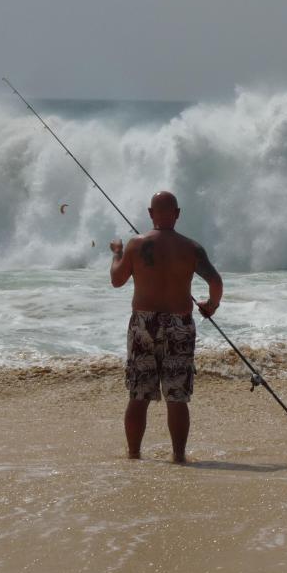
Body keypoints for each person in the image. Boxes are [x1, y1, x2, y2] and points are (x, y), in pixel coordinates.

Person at [109, 191, 223, 462]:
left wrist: (117, 254)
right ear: (177, 213)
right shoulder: (191, 248)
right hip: (179, 323)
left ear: (150, 213)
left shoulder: (136, 244)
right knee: (177, 396)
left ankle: (134, 454)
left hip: (143, 323)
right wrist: (211, 306)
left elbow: (117, 280)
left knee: (139, 394)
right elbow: (216, 283)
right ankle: (179, 456)